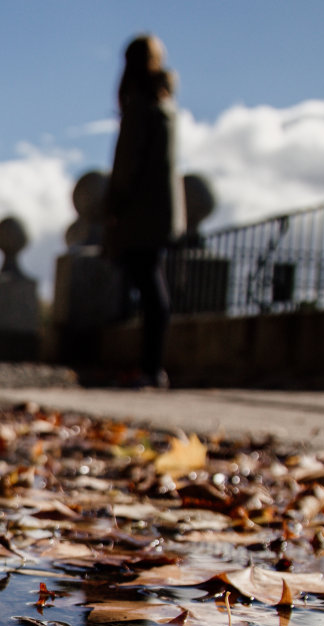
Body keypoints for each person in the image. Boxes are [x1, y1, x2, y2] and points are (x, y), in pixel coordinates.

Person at [105, 34, 185, 389]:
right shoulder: (163, 105)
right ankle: (151, 366)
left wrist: (115, 204)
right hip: (161, 210)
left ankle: (151, 368)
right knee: (151, 284)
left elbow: (127, 165)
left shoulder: (141, 107)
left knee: (150, 286)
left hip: (142, 210)